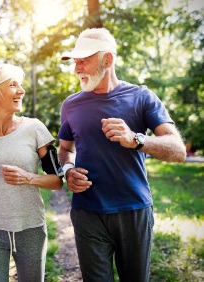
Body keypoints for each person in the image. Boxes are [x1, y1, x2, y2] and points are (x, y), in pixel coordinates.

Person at [58, 28, 186, 282]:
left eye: (84, 61)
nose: (77, 69)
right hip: (87, 211)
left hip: (133, 210)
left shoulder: (142, 97)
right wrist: (68, 171)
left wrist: (136, 139)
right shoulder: (70, 105)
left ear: (108, 60)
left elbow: (178, 150)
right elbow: (65, 150)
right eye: (75, 62)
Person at [0, 63, 63, 282]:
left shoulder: (35, 129)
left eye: (21, 85)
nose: (22, 91)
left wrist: (28, 178)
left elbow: (57, 181)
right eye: (13, 85)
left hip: (30, 228)